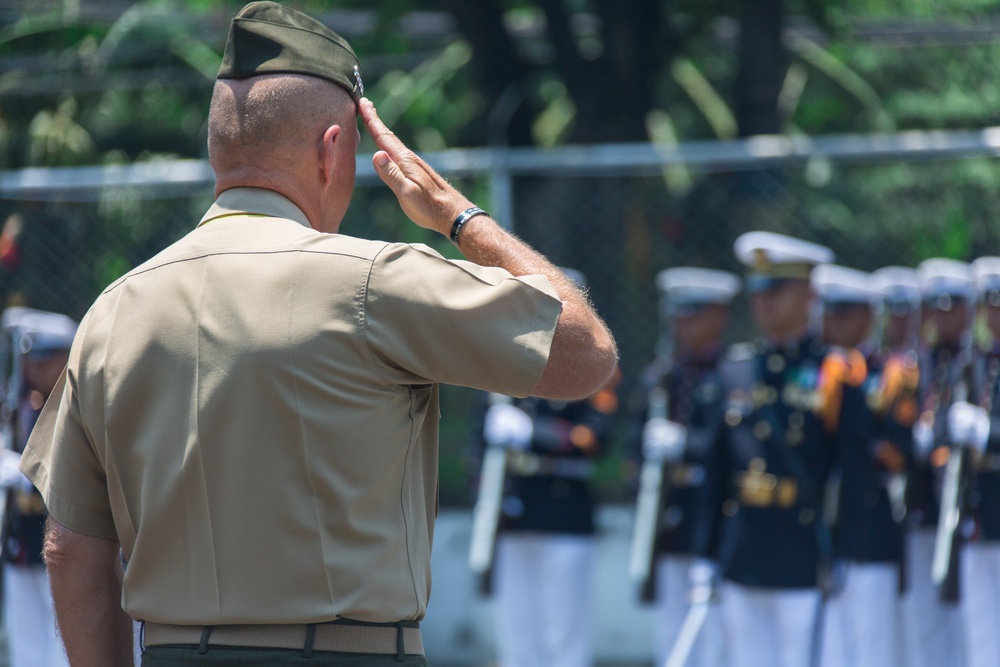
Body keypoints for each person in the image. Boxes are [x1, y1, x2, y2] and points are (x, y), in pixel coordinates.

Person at [17, 3, 618, 666]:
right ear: (332, 151)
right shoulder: (373, 282)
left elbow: (71, 546)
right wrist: (458, 216)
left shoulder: (114, 309)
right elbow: (585, 354)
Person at [693, 231, 866, 667]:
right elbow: (715, 473)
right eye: (758, 289)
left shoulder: (834, 372)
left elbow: (854, 469)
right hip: (745, 548)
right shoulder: (734, 372)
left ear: (809, 293)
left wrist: (847, 548)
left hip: (805, 547)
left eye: (778, 288)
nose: (764, 300)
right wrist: (705, 553)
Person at [476, 268, 619, 667]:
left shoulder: (591, 361)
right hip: (513, 511)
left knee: (564, 636)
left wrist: (534, 434)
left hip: (563, 511)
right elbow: (479, 438)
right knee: (516, 635)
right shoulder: (501, 358)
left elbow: (595, 438)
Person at [629, 266, 739, 667]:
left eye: (693, 313)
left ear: (720, 316)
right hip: (670, 519)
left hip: (712, 519)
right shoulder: (662, 375)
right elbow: (633, 450)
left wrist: (686, 445)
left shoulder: (733, 373)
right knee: (671, 630)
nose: (682, 323)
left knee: (716, 633)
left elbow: (731, 450)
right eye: (678, 314)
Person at [811, 265, 916, 667]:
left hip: (870, 524)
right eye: (829, 313)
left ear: (870, 316)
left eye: (845, 313)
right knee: (831, 648)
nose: (834, 323)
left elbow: (893, 449)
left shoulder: (889, 375)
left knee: (873, 644)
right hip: (824, 528)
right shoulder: (816, 369)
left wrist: (850, 394)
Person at [900, 257, 974, 667]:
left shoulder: (973, 360)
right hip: (924, 507)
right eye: (934, 307)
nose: (940, 317)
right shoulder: (918, 362)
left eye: (950, 307)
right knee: (925, 623)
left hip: (965, 510)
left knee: (970, 625)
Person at [0, 308, 76, 667]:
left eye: (44, 361)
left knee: (62, 637)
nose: (33, 369)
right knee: (25, 639)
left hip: (60, 532)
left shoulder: (70, 407)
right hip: (22, 539)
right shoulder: (21, 408)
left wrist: (21, 473)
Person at [944, 256, 1000, 667]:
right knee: (980, 638)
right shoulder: (976, 362)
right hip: (980, 518)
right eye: (990, 302)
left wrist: (988, 435)